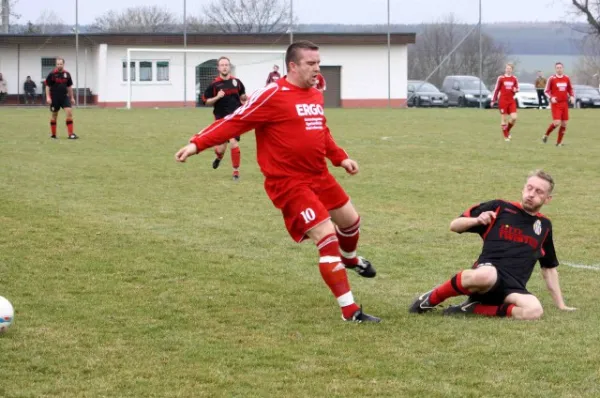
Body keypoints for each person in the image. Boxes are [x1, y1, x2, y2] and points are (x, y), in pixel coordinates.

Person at [176, 40, 379, 323]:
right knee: (327, 237)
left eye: (318, 63)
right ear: (293, 66)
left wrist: (340, 158)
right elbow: (235, 121)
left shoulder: (315, 93)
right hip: (289, 183)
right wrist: (197, 144)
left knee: (351, 221)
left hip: (319, 174)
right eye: (311, 64)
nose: (317, 69)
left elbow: (321, 129)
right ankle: (350, 311)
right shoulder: (272, 95)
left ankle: (350, 258)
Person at [409, 170, 575, 320]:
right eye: (529, 188)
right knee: (486, 275)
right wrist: (476, 220)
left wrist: (561, 304)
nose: (531, 194)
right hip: (486, 276)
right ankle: (430, 299)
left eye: (539, 192)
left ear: (548, 199)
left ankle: (473, 308)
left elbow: (549, 268)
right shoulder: (500, 207)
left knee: (534, 311)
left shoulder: (544, 225)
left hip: (512, 288)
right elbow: (454, 225)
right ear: (523, 189)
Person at [202, 56, 247, 181]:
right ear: (218, 68)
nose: (224, 67)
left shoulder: (237, 82)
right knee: (221, 149)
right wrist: (217, 97)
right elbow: (206, 102)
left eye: (226, 65)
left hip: (235, 119)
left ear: (229, 67)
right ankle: (219, 157)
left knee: (233, 142)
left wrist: (246, 99)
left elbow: (243, 95)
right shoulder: (214, 85)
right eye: (222, 65)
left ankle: (236, 172)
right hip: (221, 119)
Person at [543, 62, 574, 147]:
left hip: (564, 104)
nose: (559, 69)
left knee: (564, 123)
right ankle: (546, 135)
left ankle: (558, 142)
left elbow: (570, 89)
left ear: (563, 68)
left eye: (560, 67)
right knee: (557, 123)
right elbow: (546, 91)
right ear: (555, 69)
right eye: (557, 68)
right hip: (556, 104)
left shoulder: (566, 78)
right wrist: (551, 98)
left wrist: (572, 96)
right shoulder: (552, 79)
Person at [45, 58, 78, 139]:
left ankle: (71, 134)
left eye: (61, 64)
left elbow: (69, 87)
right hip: (55, 98)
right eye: (58, 64)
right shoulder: (52, 74)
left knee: (69, 112)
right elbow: (47, 86)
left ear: (63, 64)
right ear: (56, 65)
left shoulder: (67, 74)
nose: (59, 65)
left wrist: (72, 97)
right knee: (54, 115)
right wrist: (48, 97)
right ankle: (53, 135)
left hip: (64, 97)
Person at [491, 64, 519, 142]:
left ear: (512, 70)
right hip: (503, 100)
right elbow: (496, 89)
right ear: (505, 69)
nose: (508, 70)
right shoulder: (501, 78)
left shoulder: (514, 78)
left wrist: (515, 90)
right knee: (504, 118)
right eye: (507, 68)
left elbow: (517, 88)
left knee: (514, 118)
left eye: (510, 68)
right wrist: (493, 100)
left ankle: (507, 130)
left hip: (511, 101)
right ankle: (506, 136)